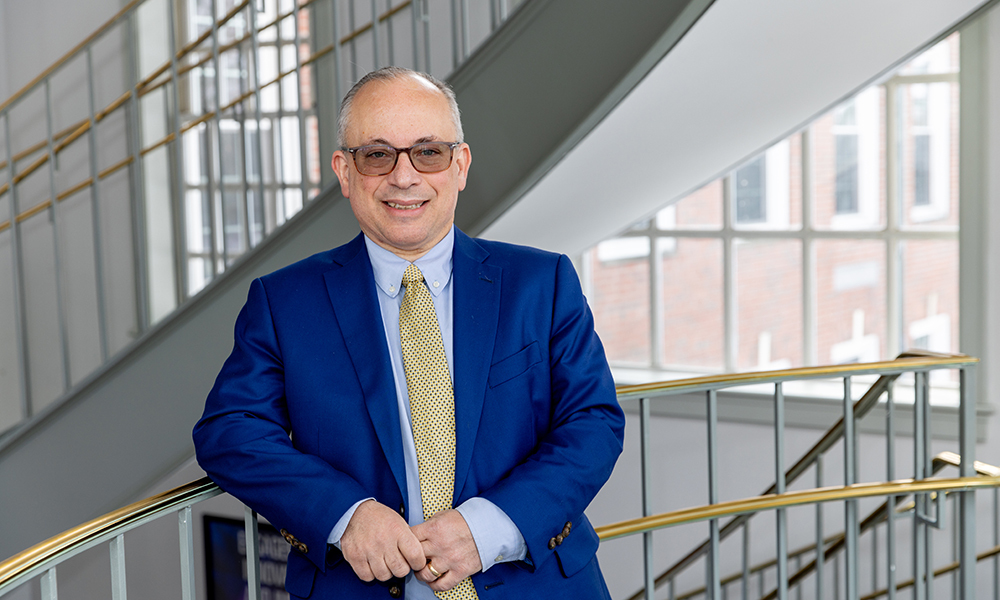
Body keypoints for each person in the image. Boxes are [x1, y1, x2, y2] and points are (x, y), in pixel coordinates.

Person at [193, 66, 625, 600]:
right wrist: (345, 516)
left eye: (429, 152)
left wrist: (489, 527)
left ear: (460, 165)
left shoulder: (542, 282)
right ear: (344, 172)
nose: (404, 177)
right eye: (377, 155)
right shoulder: (284, 301)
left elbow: (592, 422)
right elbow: (230, 431)